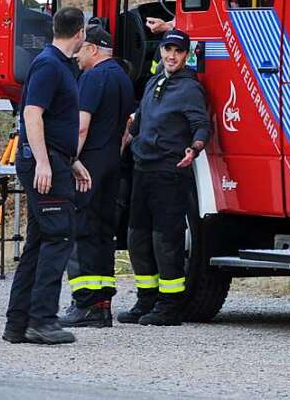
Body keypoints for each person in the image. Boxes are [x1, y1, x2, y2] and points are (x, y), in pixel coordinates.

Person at [4, 7, 92, 346]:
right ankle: (42, 320)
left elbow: (54, 123)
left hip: (55, 160)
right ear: (80, 33)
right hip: (44, 164)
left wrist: (69, 161)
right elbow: (32, 114)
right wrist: (43, 162)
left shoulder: (57, 65)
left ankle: (19, 323)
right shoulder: (49, 65)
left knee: (40, 242)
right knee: (58, 238)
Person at [119, 28, 211, 327]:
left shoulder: (190, 88)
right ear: (160, 51)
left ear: (186, 55)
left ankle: (170, 305)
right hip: (142, 169)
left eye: (178, 52)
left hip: (170, 172)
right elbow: (140, 119)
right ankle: (146, 299)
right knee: (137, 238)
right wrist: (127, 136)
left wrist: (194, 149)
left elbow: (201, 124)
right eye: (167, 50)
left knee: (165, 240)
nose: (172, 56)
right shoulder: (154, 81)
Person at [61, 25, 135, 328]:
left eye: (80, 50)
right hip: (111, 167)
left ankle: (85, 303)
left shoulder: (92, 77)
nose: (77, 57)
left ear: (93, 49)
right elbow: (127, 129)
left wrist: (71, 159)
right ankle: (103, 302)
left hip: (87, 169)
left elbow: (81, 125)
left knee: (82, 233)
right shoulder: (122, 77)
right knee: (105, 234)